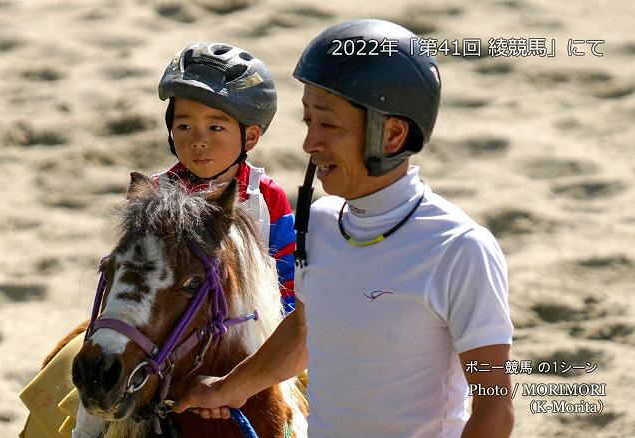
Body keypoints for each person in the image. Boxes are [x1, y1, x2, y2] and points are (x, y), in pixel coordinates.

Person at [174, 19, 516, 437]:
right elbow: (304, 329)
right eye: (308, 122)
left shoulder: (461, 249)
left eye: (329, 124)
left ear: (391, 135)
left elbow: (494, 412)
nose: (310, 143)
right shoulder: (320, 222)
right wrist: (228, 389)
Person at [156, 42, 297, 313]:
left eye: (216, 127)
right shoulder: (156, 193)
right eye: (184, 126)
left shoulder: (267, 196)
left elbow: (287, 278)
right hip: (171, 331)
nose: (198, 140)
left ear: (251, 137)